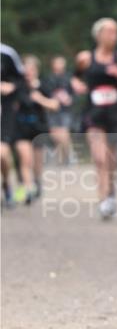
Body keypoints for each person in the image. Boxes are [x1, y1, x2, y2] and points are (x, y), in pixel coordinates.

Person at [72, 18, 117, 220]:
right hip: (94, 112)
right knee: (99, 158)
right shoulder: (85, 58)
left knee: (111, 159)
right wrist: (76, 85)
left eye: (116, 32)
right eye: (110, 32)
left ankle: (111, 193)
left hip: (115, 113)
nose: (114, 36)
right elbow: (75, 77)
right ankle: (104, 199)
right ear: (98, 35)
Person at [14, 55, 59, 203]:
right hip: (21, 127)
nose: (28, 73)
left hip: (39, 128)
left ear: (36, 71)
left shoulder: (43, 86)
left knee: (37, 162)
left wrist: (40, 99)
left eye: (31, 70)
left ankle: (37, 181)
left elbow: (55, 105)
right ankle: (28, 189)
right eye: (25, 70)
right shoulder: (19, 86)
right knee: (25, 158)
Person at [1, 43, 25, 207]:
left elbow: (21, 79)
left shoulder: (7, 53)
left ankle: (7, 185)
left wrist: (11, 86)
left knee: (2, 154)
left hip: (5, 111)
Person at [45, 55, 74, 165]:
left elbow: (73, 93)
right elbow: (46, 92)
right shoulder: (48, 79)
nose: (60, 65)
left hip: (65, 110)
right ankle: (61, 157)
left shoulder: (68, 78)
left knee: (64, 133)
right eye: (57, 63)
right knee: (54, 134)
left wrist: (70, 99)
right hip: (52, 110)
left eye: (61, 63)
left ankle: (68, 157)